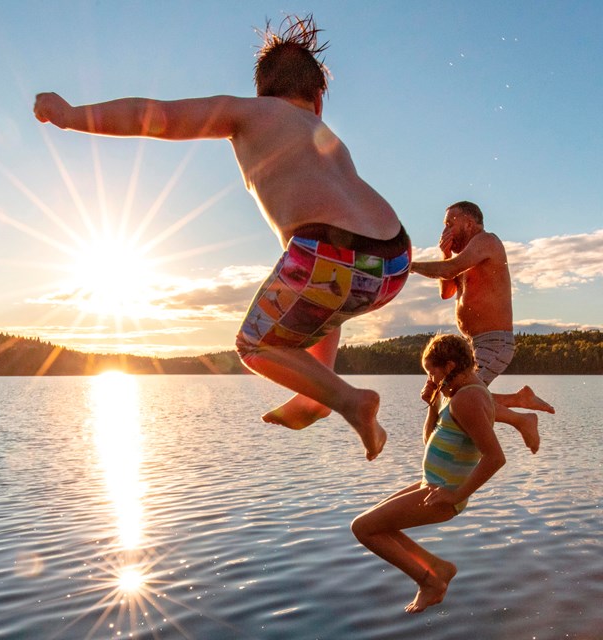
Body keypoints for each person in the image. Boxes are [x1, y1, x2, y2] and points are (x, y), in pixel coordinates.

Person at [33, 15, 411, 461]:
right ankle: (315, 395)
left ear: (262, 92)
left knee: (255, 344)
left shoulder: (249, 113)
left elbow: (158, 116)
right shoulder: (329, 138)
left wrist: (72, 116)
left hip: (330, 252)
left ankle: (350, 401)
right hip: (393, 259)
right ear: (319, 99)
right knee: (329, 297)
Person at [351, 334, 506, 614]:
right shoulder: (459, 394)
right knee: (374, 523)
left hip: (444, 493)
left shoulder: (467, 399)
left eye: (432, 372)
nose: (431, 380)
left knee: (362, 528)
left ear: (449, 366)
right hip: (432, 485)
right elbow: (429, 440)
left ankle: (430, 581)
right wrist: (432, 405)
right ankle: (438, 568)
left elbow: (495, 458)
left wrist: (455, 495)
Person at [410, 201, 554, 453]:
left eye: (449, 224)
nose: (444, 231)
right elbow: (447, 290)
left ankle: (522, 419)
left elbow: (449, 270)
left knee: (460, 394)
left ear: (468, 222)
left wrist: (409, 266)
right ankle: (519, 401)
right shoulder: (464, 257)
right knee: (456, 393)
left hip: (495, 342)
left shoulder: (487, 241)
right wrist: (445, 254)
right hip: (473, 344)